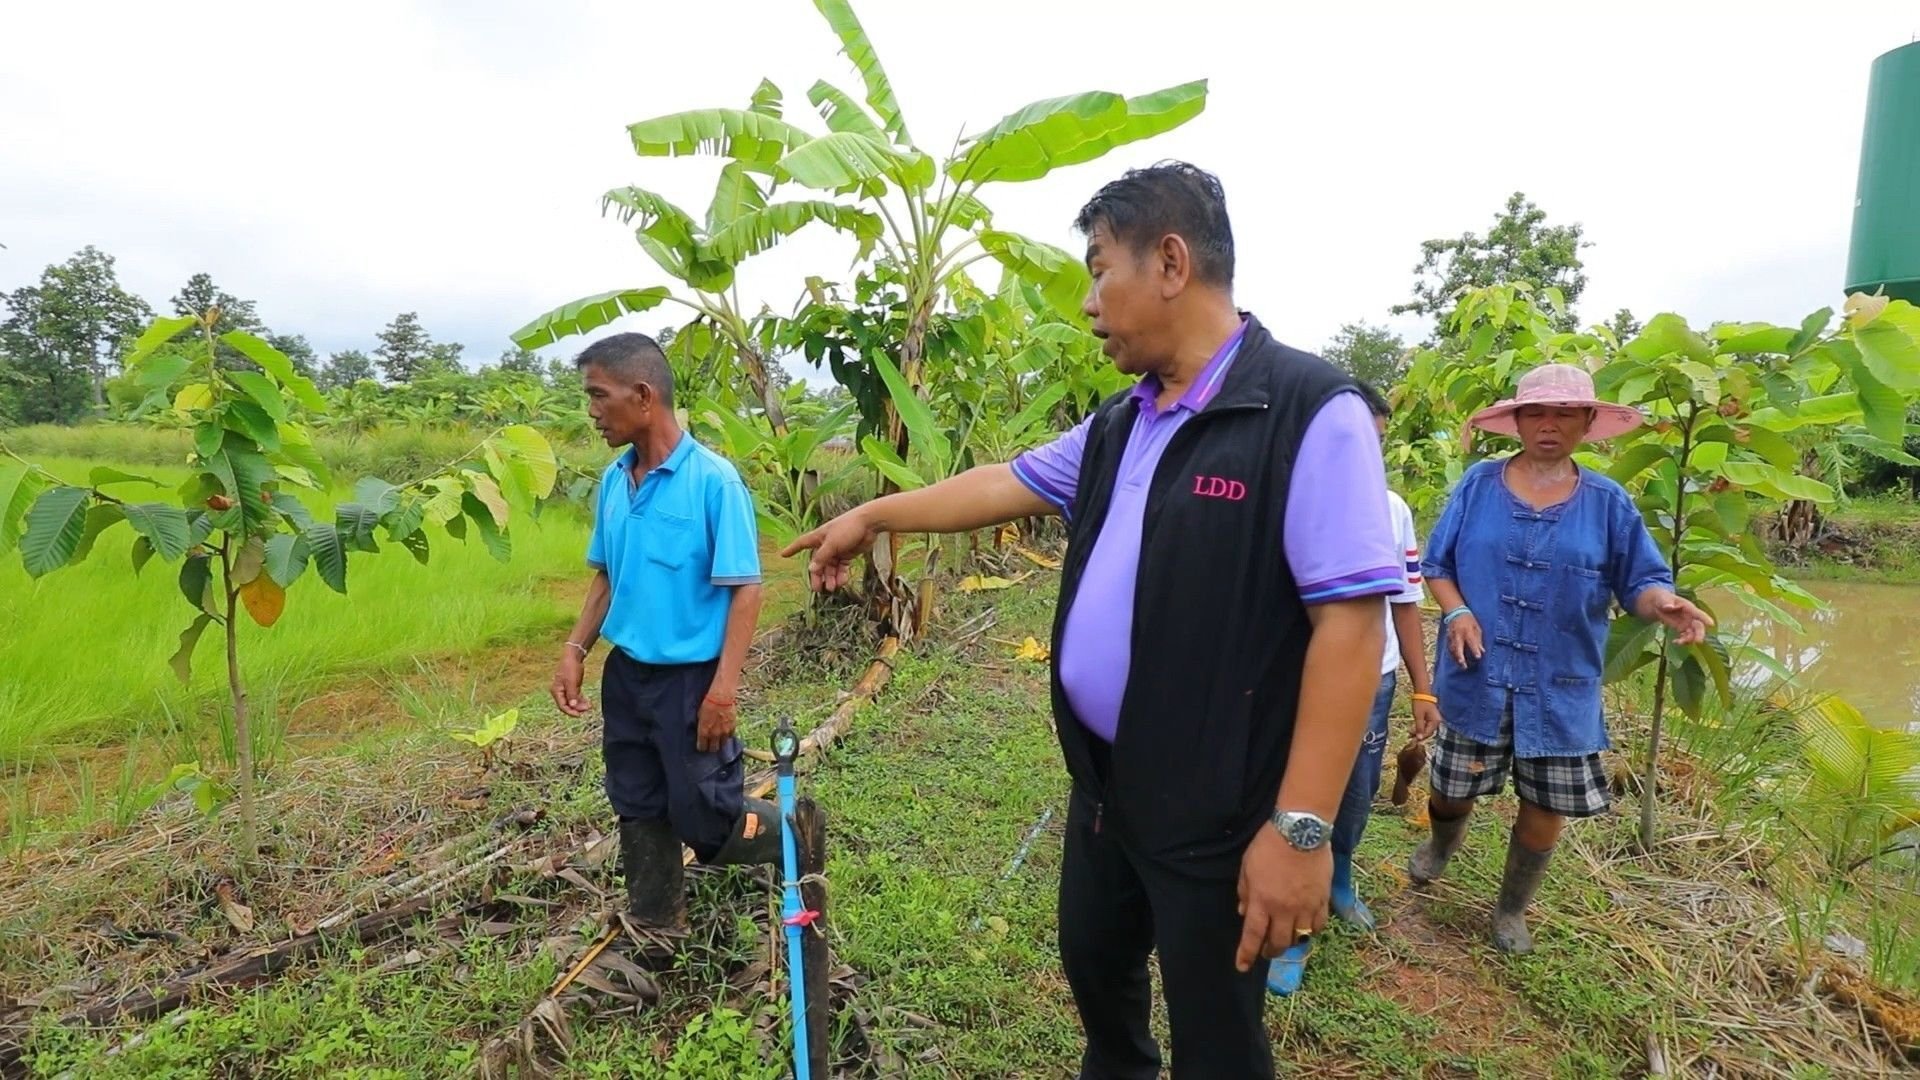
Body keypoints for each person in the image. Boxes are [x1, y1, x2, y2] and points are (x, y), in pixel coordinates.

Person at [783, 162, 1402, 1079]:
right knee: (1099, 975)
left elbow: (1350, 629)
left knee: (1219, 1037)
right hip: (1108, 791)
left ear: (1170, 262)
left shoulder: (1308, 413)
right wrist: (877, 514)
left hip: (1221, 808)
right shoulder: (1124, 419)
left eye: (1098, 267)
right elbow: (1004, 483)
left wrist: (1302, 828)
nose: (1087, 301)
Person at [1411, 363, 1711, 953]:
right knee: (1453, 788)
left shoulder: (1608, 503)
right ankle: (1442, 844)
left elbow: (1642, 581)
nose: (1550, 426)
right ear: (1518, 421)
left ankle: (1511, 910)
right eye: (1537, 413)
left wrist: (1663, 603)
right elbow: (1437, 565)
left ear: (1587, 423)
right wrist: (1456, 613)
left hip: (1560, 682)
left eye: (1565, 415)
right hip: (1478, 675)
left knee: (1546, 802)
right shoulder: (1478, 485)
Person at [549, 332, 775, 946]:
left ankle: (792, 836)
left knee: (704, 811)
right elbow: (606, 576)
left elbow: (745, 590)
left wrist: (723, 692)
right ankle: (657, 923)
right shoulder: (614, 482)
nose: (592, 410)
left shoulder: (714, 483)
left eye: (599, 395)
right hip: (627, 675)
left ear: (643, 395)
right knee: (636, 798)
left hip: (691, 679)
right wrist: (575, 651)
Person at [1267, 380, 1443, 995]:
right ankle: (1286, 923)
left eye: (1375, 443)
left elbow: (1406, 601)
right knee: (1291, 788)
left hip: (1370, 679)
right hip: (1292, 669)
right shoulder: (1282, 492)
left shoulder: (1391, 509)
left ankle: (1339, 876)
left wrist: (1423, 689)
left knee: (1355, 787)